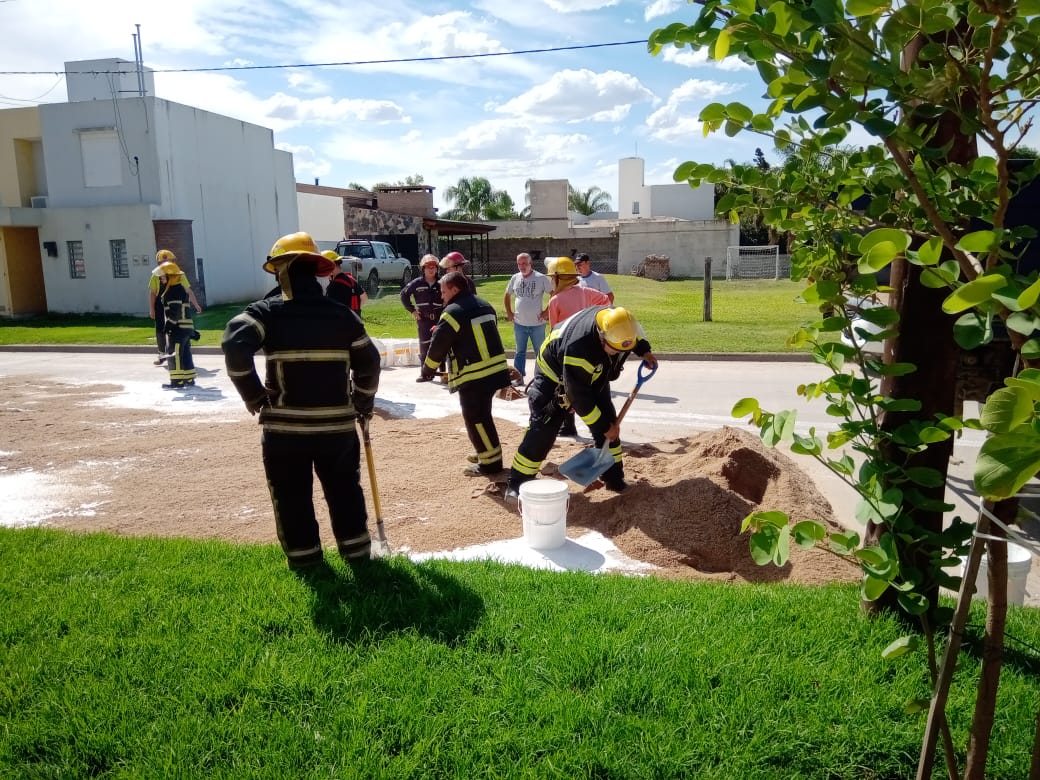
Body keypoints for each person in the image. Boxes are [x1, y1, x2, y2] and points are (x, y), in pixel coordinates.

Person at [221, 231, 382, 569]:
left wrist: (253, 395)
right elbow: (370, 362)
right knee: (345, 493)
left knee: (291, 496)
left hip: (285, 432)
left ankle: (306, 562)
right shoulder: (343, 316)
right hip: (337, 429)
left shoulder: (267, 313)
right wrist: (363, 403)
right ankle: (357, 555)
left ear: (283, 270)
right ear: (315, 271)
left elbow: (235, 344)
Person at [505, 306, 657, 501]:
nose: (618, 355)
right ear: (602, 337)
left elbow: (630, 337)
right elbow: (579, 398)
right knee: (544, 428)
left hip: (594, 373)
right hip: (555, 376)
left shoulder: (616, 321)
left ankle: (613, 478)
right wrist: (603, 427)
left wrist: (644, 351)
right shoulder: (580, 348)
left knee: (610, 423)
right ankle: (518, 483)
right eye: (615, 351)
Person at [420, 271, 511, 475]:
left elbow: (438, 345)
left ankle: (490, 464)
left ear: (455, 289)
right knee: (483, 415)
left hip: (474, 375)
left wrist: (427, 370)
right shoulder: (484, 303)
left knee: (476, 418)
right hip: (495, 370)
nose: (441, 296)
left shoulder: (453, 312)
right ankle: (484, 451)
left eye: (443, 291)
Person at [546, 257, 611, 437]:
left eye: (553, 278)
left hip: (567, 350)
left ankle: (568, 426)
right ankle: (601, 428)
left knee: (566, 388)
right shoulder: (585, 292)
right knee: (591, 388)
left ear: (559, 278)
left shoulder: (555, 300)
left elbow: (553, 332)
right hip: (586, 346)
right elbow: (606, 300)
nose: (551, 281)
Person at [503, 252, 552, 387]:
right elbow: (507, 295)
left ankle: (540, 378)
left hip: (537, 324)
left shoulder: (540, 278)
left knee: (540, 352)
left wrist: (546, 312)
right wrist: (509, 312)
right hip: (520, 323)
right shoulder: (515, 278)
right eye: (519, 264)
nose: (522, 266)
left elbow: (554, 295)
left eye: (525, 263)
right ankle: (519, 377)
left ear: (531, 263)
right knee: (520, 351)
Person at [149, 249, 201, 366]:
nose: (165, 264)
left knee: (177, 328)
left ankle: (178, 353)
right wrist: (152, 309)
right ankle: (162, 355)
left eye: (168, 261)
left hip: (174, 303)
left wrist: (196, 304)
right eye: (162, 262)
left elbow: (188, 290)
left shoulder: (179, 274)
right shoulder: (156, 276)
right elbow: (153, 293)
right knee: (160, 330)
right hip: (161, 304)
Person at [400, 254, 444, 380]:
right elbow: (403, 295)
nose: (431, 269)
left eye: (434, 267)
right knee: (424, 346)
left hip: (439, 320)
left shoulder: (442, 283)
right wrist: (412, 310)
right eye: (428, 267)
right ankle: (425, 374)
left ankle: (443, 374)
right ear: (423, 269)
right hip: (423, 320)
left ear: (437, 269)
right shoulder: (416, 283)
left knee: (440, 345)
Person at [157, 261, 198, 389]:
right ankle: (189, 378)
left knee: (174, 353)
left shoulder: (172, 292)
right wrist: (191, 330)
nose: (161, 279)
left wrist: (168, 326)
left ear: (171, 277)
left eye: (163, 277)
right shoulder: (181, 289)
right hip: (186, 327)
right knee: (185, 352)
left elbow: (174, 312)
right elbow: (184, 311)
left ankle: (177, 381)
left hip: (178, 328)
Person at [323, 249, 368, 314]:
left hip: (341, 323)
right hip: (356, 321)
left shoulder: (334, 286)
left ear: (331, 265)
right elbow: (364, 298)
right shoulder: (351, 280)